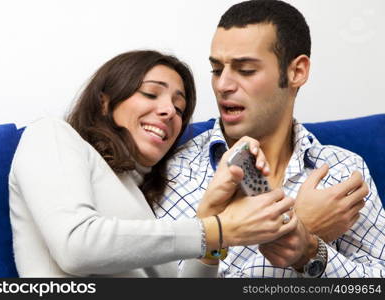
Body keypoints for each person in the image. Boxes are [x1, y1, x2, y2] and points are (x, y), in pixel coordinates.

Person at [8, 50, 298, 277]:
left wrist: (212, 230)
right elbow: (75, 245)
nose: (169, 111)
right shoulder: (52, 135)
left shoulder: (140, 202)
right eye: (150, 93)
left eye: (179, 108)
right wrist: (218, 229)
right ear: (105, 102)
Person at [154, 0, 385, 278]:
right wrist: (298, 227)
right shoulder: (177, 172)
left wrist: (313, 252)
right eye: (217, 70)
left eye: (246, 70)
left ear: (297, 72)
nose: (223, 85)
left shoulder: (342, 170)